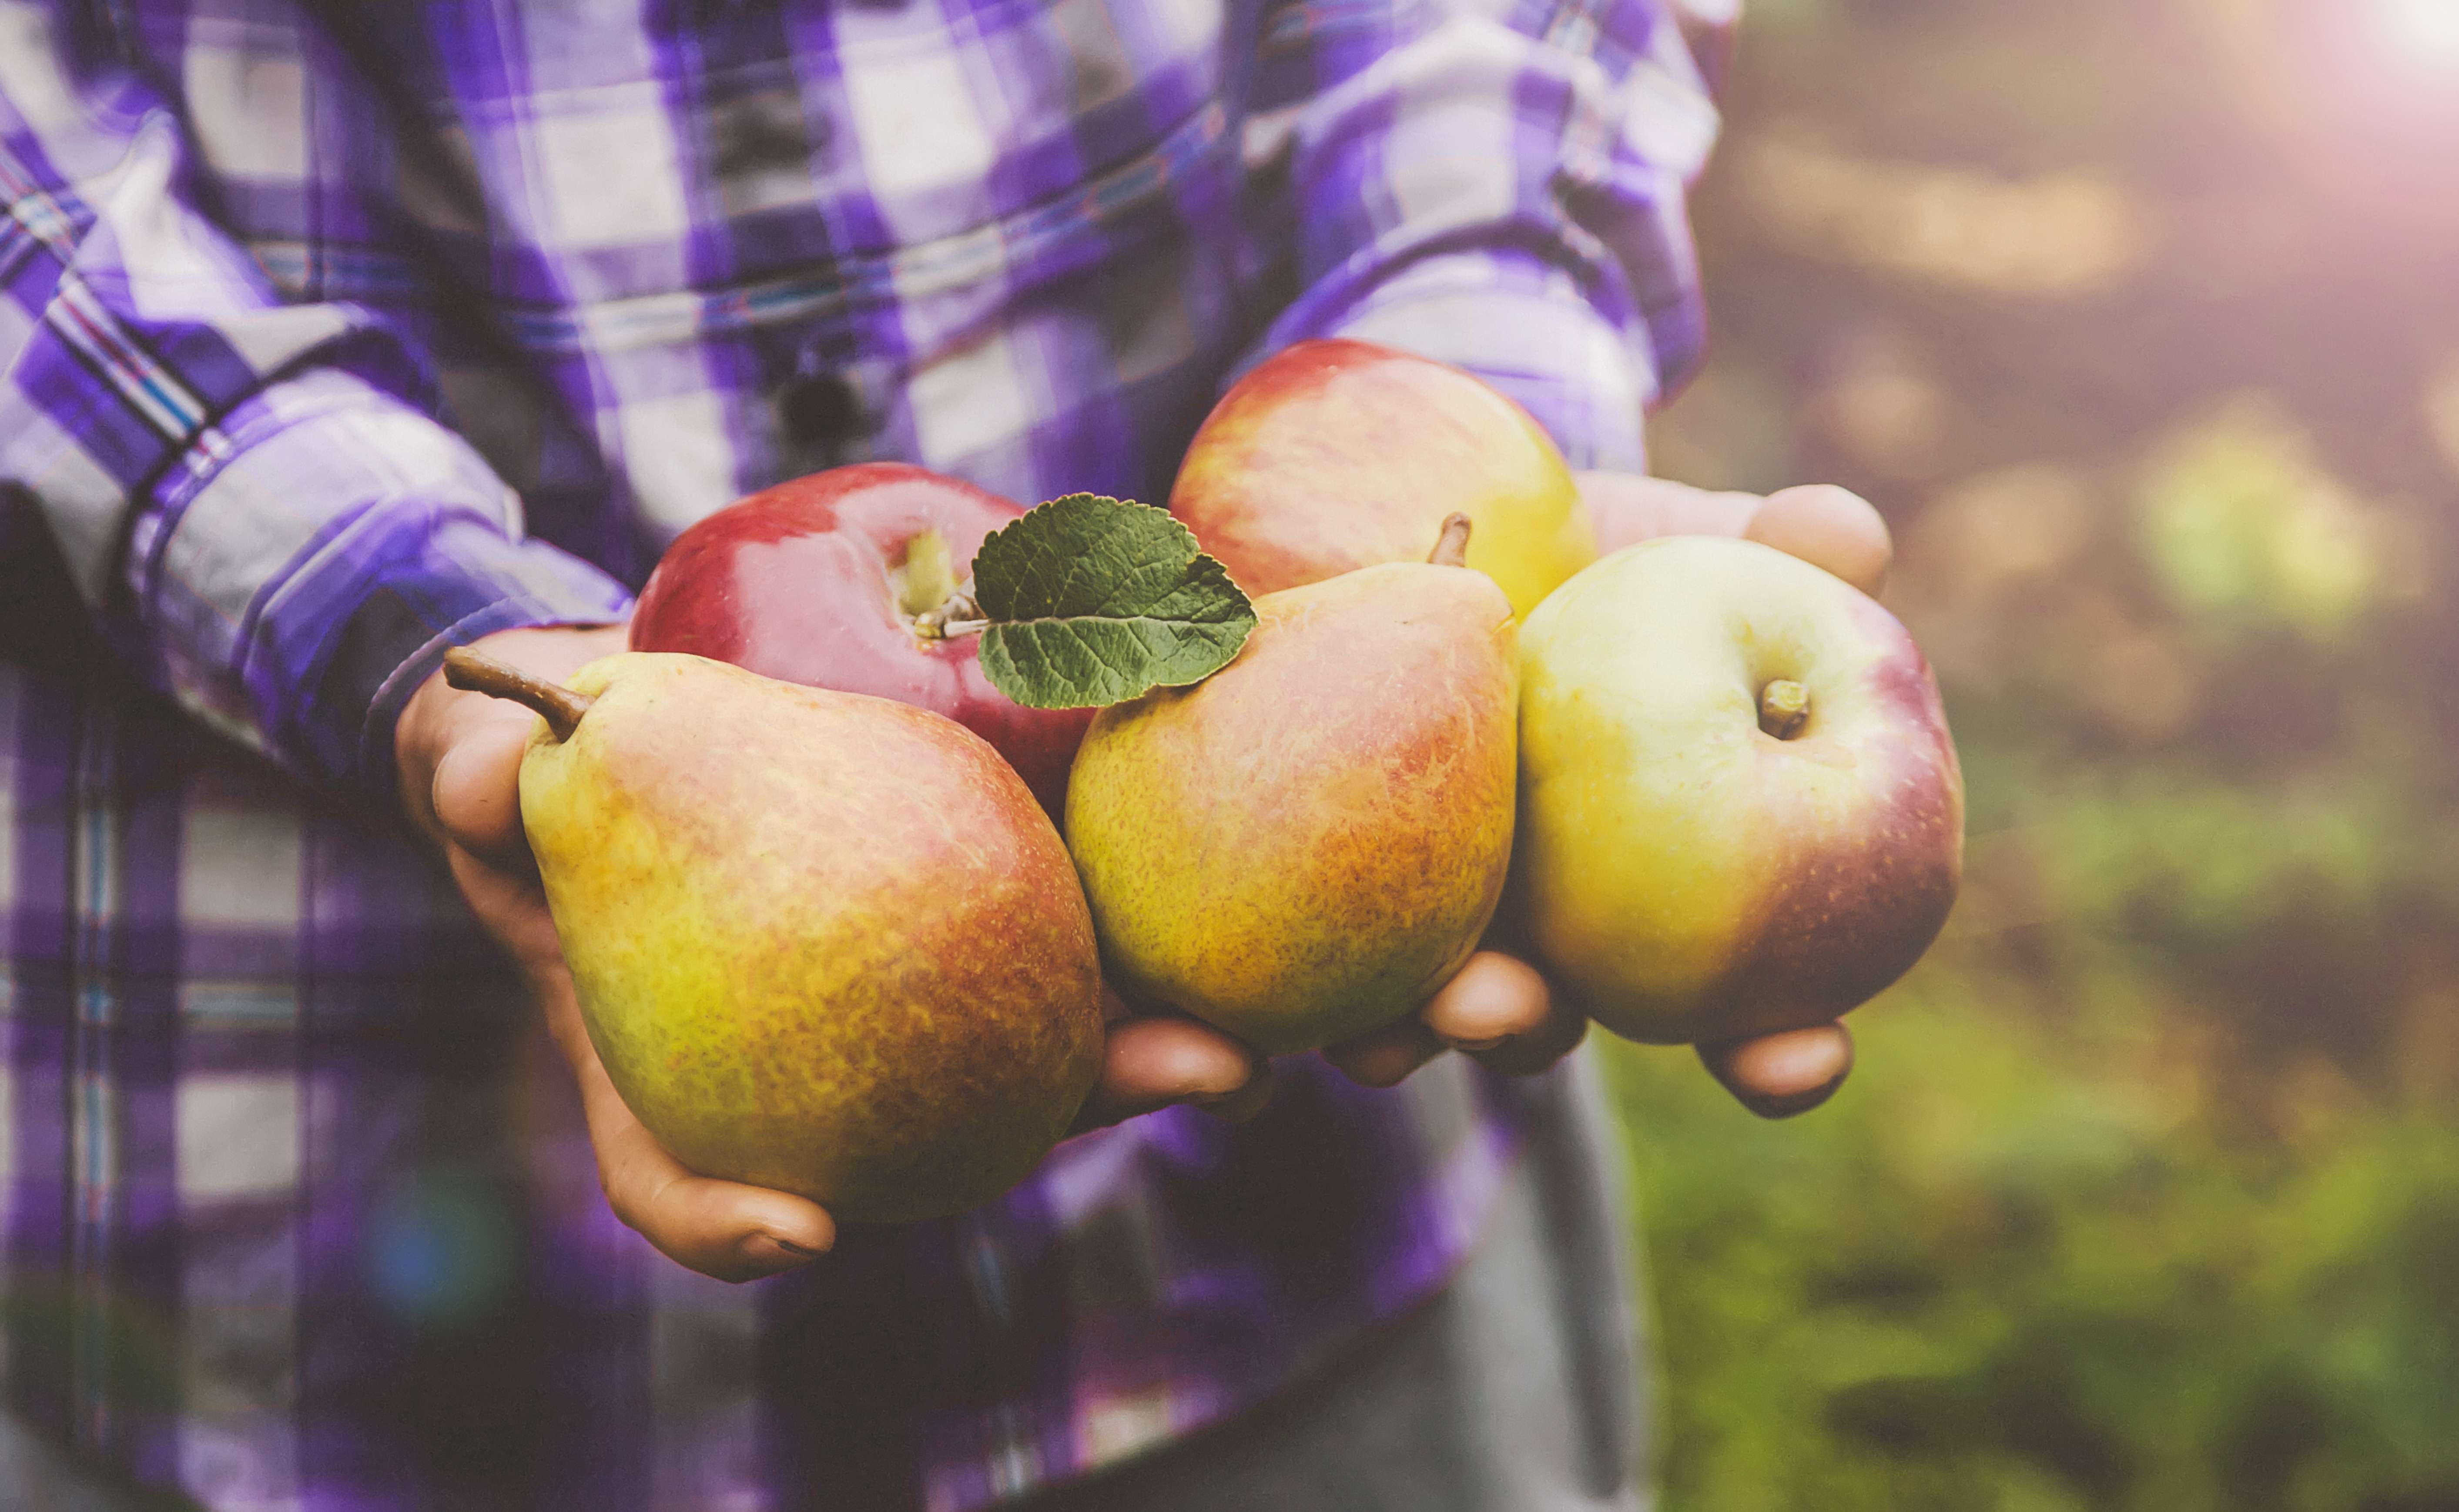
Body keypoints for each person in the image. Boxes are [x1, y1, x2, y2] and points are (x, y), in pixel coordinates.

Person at [0, 0, 1883, 1506]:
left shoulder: (1422, 658)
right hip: (295, 1274)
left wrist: (1478, 390)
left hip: (1307, 1206)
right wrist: (388, 618)